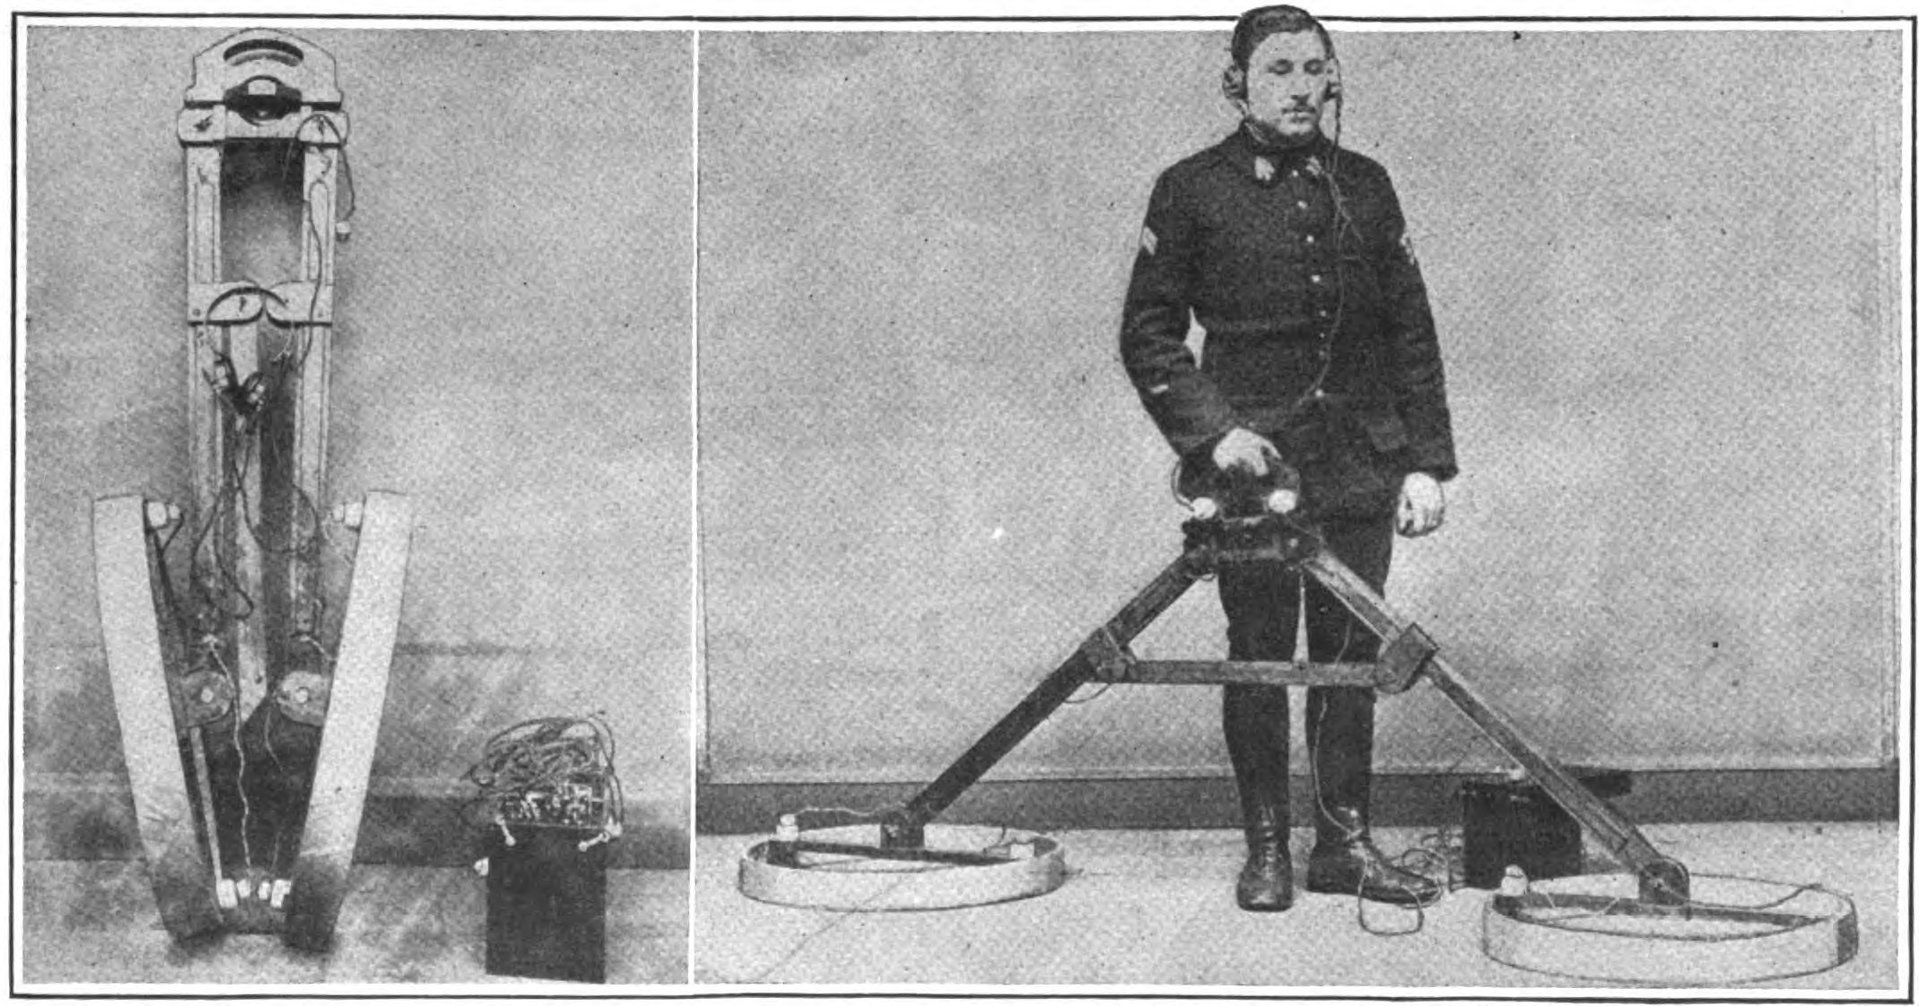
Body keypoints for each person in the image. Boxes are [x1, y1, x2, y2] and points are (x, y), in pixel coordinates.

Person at [1119, 5, 1458, 912]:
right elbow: (1148, 333)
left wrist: (1424, 463)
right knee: (1259, 656)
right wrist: (1214, 434)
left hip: (1358, 463)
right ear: (1235, 84)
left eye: (1315, 68)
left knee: (1349, 659)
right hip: (1252, 472)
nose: (1302, 87)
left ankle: (1342, 847)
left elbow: (1410, 332)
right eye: (1279, 70)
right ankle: (1265, 849)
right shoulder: (1189, 190)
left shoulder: (1367, 185)